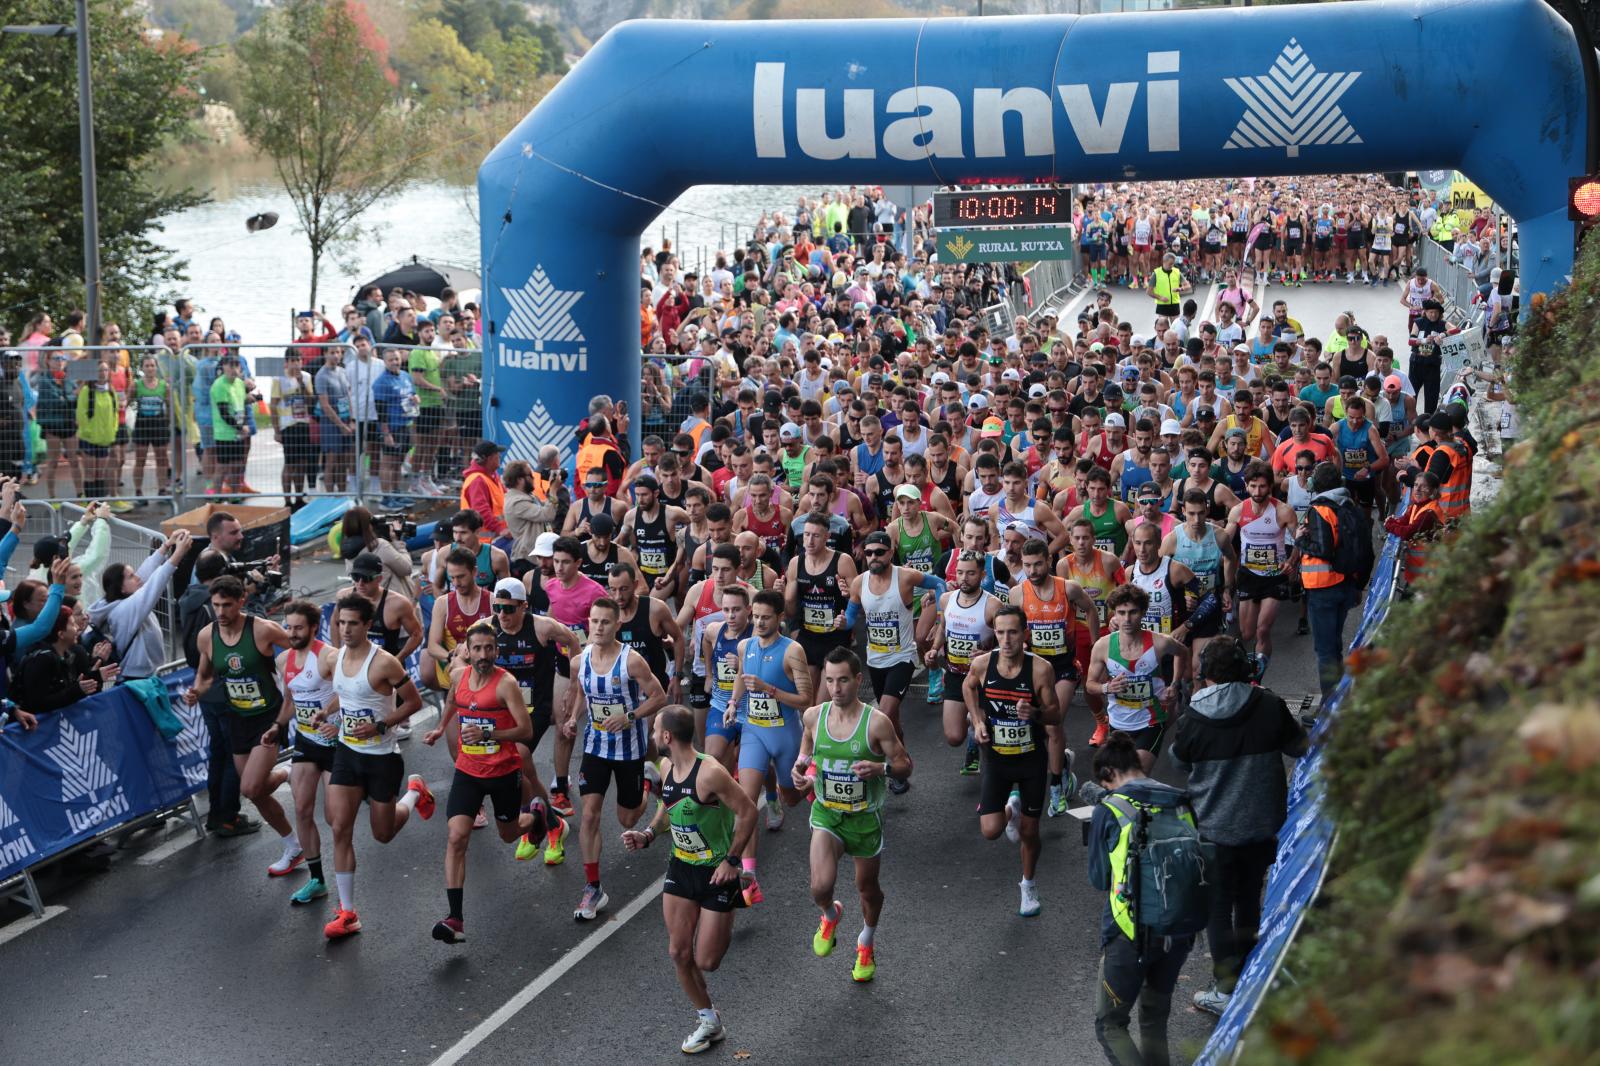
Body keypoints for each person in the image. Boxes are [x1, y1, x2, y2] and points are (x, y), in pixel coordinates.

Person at [1171, 637, 1308, 1015]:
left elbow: (1179, 760)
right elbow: (1299, 746)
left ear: (1207, 673)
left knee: (1217, 906)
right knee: (1249, 898)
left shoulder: (1195, 715)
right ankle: (1248, 975)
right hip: (1263, 823)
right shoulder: (1270, 705)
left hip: (1213, 828)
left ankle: (1225, 987)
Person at [621, 705, 758, 1055]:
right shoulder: (667, 767)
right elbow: (670, 806)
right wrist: (649, 834)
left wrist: (732, 861)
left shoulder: (710, 773)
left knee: (707, 960)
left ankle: (737, 891)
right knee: (679, 952)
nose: (653, 735)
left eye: (655, 730)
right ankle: (708, 1020)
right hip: (681, 868)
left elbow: (747, 811)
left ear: (667, 736)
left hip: (717, 872)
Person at [423, 620, 567, 943]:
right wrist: (439, 727)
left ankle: (538, 816)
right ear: (468, 652)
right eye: (477, 649)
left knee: (507, 834)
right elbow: (452, 702)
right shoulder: (459, 677)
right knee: (456, 836)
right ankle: (455, 919)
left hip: (503, 771)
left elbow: (526, 731)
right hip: (468, 771)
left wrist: (489, 733)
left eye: (489, 648)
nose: (484, 654)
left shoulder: (506, 684)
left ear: (497, 651)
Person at [791, 647, 914, 983]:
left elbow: (905, 766)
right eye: (830, 680)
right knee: (820, 887)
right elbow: (806, 749)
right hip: (828, 814)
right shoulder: (814, 716)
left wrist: (880, 768)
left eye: (843, 680)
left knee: (867, 888)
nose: (835, 687)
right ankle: (830, 914)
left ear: (858, 680)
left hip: (864, 819)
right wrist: (801, 768)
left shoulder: (876, 722)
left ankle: (866, 941)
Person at [317, 592, 432, 939]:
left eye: (353, 623)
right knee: (340, 828)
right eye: (341, 623)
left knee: (383, 834)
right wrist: (329, 711)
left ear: (368, 625)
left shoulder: (385, 663)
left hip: (382, 756)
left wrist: (382, 725)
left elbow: (412, 701)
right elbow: (348, 693)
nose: (346, 629)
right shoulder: (335, 657)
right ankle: (348, 912)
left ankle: (414, 793)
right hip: (348, 752)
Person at [1087, 731, 1196, 1066]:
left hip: (1129, 932)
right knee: (1154, 1016)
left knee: (1111, 1024)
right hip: (1179, 928)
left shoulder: (1110, 809)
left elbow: (1100, 878)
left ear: (1108, 775)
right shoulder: (1179, 800)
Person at [561, 596, 669, 921]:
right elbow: (581, 691)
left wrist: (630, 716)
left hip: (629, 749)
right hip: (595, 747)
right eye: (593, 621)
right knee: (591, 814)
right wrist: (573, 717)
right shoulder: (580, 661)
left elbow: (659, 696)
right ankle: (593, 888)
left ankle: (648, 781)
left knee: (627, 820)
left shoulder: (631, 661)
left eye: (605, 622)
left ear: (617, 624)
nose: (598, 627)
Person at [185, 576, 301, 874]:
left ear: (241, 602)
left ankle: (292, 842)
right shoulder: (206, 636)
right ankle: (293, 842)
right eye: (216, 605)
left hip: (268, 716)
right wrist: (197, 689)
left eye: (226, 605)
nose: (220, 611)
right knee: (256, 790)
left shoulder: (263, 630)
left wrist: (297, 682)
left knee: (249, 786)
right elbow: (206, 674)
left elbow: (300, 650)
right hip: (236, 717)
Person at [962, 605, 1061, 917]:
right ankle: (1010, 810)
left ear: (1024, 635)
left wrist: (1034, 713)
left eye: (1013, 632)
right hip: (997, 759)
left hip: (1031, 759)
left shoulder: (1040, 669)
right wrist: (977, 721)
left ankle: (1028, 884)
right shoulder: (981, 664)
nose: (1006, 639)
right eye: (1000, 632)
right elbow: (968, 687)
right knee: (990, 831)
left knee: (1031, 832)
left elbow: (1055, 714)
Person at [1012, 538, 1099, 814]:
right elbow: (1011, 625)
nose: (1032, 570)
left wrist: (1097, 645)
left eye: (1037, 564)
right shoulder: (1018, 593)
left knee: (1051, 725)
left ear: (1048, 562)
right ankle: (1062, 761)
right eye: (1027, 565)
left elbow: (1091, 609)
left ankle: (1057, 785)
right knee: (1031, 729)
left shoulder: (1068, 588)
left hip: (1063, 668)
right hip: (1032, 669)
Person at [724, 589, 812, 864]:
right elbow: (742, 677)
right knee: (747, 802)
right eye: (756, 616)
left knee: (793, 797)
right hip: (754, 732)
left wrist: (769, 689)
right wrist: (733, 703)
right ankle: (747, 869)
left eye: (766, 618)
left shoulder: (792, 651)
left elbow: (805, 700)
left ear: (780, 618)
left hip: (786, 734)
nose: (759, 623)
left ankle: (805, 787)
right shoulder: (745, 646)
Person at [260, 601, 338, 904]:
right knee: (303, 810)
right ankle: (317, 879)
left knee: (335, 818)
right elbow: (291, 700)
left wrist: (339, 722)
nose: (291, 633)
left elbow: (352, 692)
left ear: (313, 628)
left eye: (298, 628)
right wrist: (277, 726)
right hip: (306, 743)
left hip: (335, 744)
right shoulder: (284, 661)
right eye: (288, 627)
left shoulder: (329, 657)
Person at [1085, 585, 1189, 772]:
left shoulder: (1160, 642)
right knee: (1118, 779)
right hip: (1118, 724)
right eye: (1121, 612)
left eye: (1132, 612)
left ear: (1142, 613)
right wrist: (1107, 688)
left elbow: (1182, 652)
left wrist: (1175, 683)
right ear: (1114, 614)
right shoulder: (1103, 646)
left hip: (1151, 722)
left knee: (1136, 775)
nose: (1126, 619)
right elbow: (1090, 685)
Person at [1295, 461, 1371, 695]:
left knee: (1326, 651)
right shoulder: (1350, 505)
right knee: (1335, 646)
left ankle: (1330, 707)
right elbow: (1367, 550)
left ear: (1316, 483)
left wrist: (1300, 540)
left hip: (1323, 590)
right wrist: (1359, 585)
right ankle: (1337, 697)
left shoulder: (1320, 509)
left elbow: (1323, 549)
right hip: (1345, 585)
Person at [930, 549, 1001, 774]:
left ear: (982, 575)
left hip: (983, 677)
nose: (963, 578)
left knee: (987, 736)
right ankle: (972, 731)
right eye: (960, 573)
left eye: (970, 573)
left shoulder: (993, 605)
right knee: (953, 737)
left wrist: (989, 654)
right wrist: (933, 649)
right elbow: (943, 628)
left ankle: (994, 779)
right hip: (954, 674)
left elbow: (1008, 643)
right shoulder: (946, 599)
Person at [1226, 461, 1299, 680]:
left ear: (1270, 487)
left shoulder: (1283, 511)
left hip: (1273, 577)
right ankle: (1246, 668)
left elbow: (1301, 541)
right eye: (1253, 486)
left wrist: (1292, 561)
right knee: (1247, 633)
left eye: (1263, 487)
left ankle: (1258, 674)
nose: (1258, 492)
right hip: (1248, 576)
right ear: (1246, 486)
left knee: (1262, 630)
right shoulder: (1238, 511)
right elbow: (1226, 540)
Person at [91, 530, 196, 681]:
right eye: (131, 576)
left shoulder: (121, 599)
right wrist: (178, 554)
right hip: (137, 677)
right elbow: (155, 583)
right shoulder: (124, 609)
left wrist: (167, 545)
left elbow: (146, 572)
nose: (138, 577)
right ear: (121, 588)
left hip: (143, 673)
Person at [459, 440, 509, 541]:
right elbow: (481, 511)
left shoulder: (492, 475)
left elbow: (507, 498)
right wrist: (500, 529)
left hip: (497, 537)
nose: (499, 456)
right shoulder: (477, 481)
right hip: (484, 543)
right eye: (497, 454)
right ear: (489, 459)